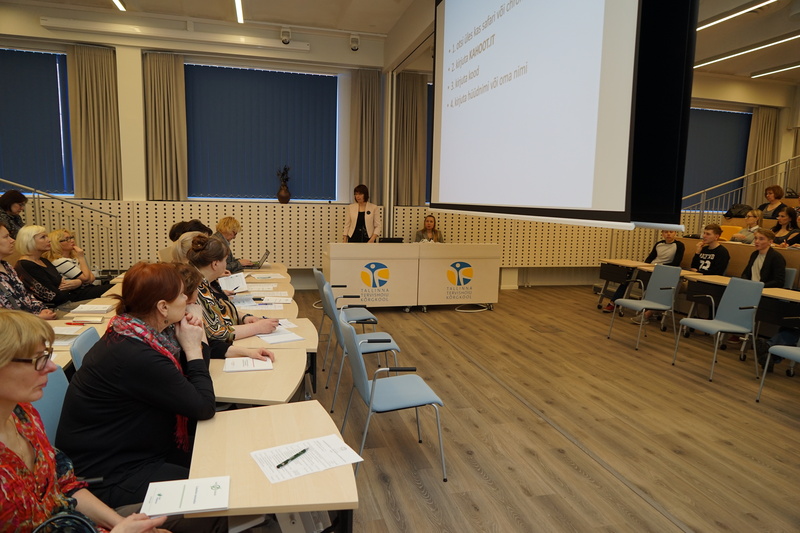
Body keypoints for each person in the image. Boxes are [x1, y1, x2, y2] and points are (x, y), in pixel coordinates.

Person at [55, 262, 218, 509]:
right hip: (112, 475)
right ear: (163, 307)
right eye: (181, 295)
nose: (187, 299)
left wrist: (193, 341)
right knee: (214, 486)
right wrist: (194, 348)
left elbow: (192, 379)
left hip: (137, 449)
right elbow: (203, 406)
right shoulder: (136, 354)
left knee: (219, 455)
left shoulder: (138, 333)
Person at [0, 309, 168, 533]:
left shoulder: (23, 414)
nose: (51, 367)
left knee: (204, 514)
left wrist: (120, 523)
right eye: (38, 359)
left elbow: (66, 485)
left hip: (78, 522)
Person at [173, 262, 275, 362]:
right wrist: (199, 320)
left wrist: (248, 352)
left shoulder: (184, 316)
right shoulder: (178, 325)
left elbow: (212, 346)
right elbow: (203, 360)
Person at [186, 234, 278, 343]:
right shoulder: (197, 289)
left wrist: (244, 318)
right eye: (225, 260)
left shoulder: (207, 282)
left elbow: (221, 310)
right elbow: (217, 333)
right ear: (215, 264)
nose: (226, 264)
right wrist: (257, 327)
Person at [14, 225, 109, 305]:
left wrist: (77, 282)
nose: (49, 240)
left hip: (67, 300)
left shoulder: (43, 261)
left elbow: (61, 284)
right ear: (29, 241)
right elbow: (52, 295)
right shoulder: (26, 265)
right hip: (58, 306)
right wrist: (77, 283)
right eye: (43, 237)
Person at [604, 229, 684, 315]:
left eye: (671, 232)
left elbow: (676, 262)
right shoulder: (659, 244)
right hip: (652, 268)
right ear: (662, 234)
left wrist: (659, 266)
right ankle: (613, 302)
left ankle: (648, 309)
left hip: (664, 270)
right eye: (666, 232)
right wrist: (645, 266)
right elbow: (650, 257)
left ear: (675, 233)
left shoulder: (679, 245)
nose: (668, 234)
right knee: (628, 278)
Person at [0, 222, 55, 319]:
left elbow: (25, 295)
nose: (12, 240)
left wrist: (41, 309)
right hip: (17, 325)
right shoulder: (25, 264)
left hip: (30, 320)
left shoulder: (7, 266)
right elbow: (4, 315)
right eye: (6, 237)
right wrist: (36, 317)